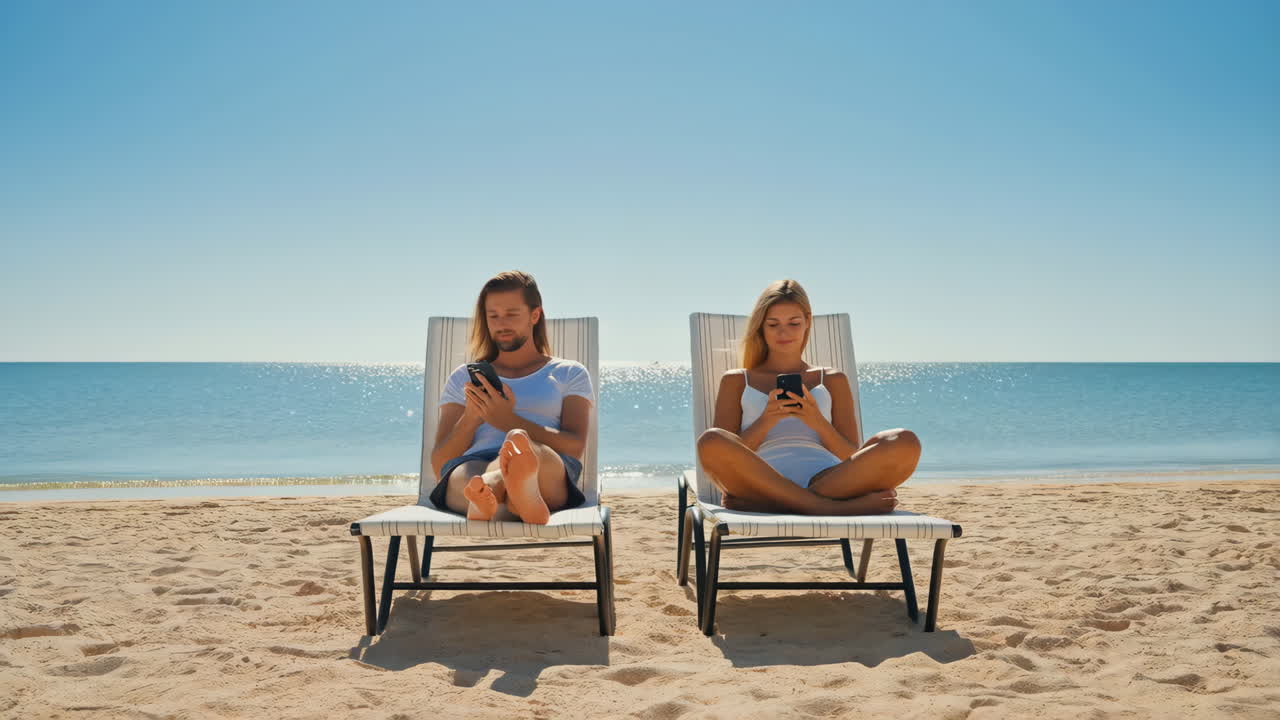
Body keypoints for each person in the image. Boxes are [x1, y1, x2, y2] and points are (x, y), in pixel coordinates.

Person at [696, 279, 921, 515]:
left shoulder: (832, 379)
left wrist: (816, 421)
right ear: (761, 327)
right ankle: (825, 508)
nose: (783, 332)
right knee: (711, 441)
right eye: (773, 324)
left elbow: (850, 455)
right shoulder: (737, 380)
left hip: (829, 482)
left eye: (794, 323)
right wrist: (767, 420)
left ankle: (781, 505)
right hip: (758, 482)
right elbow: (728, 453)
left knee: (904, 441)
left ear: (807, 322)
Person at [429, 270, 593, 524]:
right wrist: (472, 418)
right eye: (493, 316)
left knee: (524, 448)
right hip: (476, 464)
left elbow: (575, 447)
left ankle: (489, 496)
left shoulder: (569, 373)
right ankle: (518, 500)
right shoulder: (463, 378)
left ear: (534, 315)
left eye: (512, 315)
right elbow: (440, 462)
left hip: (543, 464)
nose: (501, 324)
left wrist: (508, 421)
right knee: (464, 473)